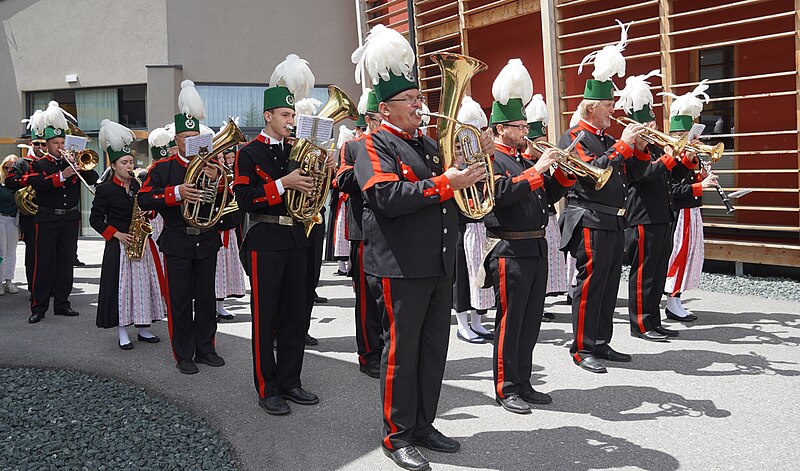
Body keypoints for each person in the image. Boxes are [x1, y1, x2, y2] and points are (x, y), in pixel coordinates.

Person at [352, 25, 490, 470]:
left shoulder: (430, 145)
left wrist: (478, 156)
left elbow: (458, 187)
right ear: (386, 107)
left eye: (419, 97)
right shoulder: (372, 144)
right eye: (409, 99)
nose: (419, 104)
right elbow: (387, 199)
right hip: (399, 267)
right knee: (400, 351)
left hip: (437, 263)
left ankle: (424, 424)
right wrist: (444, 184)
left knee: (434, 350)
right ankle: (396, 435)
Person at [483, 60, 575, 414]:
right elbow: (501, 195)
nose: (526, 132)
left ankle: (523, 381)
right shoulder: (492, 158)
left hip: (534, 244)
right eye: (519, 127)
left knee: (531, 319)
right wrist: (538, 170)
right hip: (508, 248)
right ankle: (505, 387)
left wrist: (563, 175)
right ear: (500, 128)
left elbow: (544, 196)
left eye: (525, 126)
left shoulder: (523, 158)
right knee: (511, 321)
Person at [233, 54, 322, 416]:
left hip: (296, 238)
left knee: (295, 315)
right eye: (285, 115)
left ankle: (291, 380)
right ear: (268, 116)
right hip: (265, 240)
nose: (291, 120)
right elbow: (243, 199)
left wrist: (322, 173)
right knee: (266, 315)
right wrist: (282, 184)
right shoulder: (248, 153)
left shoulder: (299, 151)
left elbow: (312, 193)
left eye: (293, 115)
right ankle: (267, 387)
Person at [558, 21, 648, 373]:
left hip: (612, 218)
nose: (613, 109)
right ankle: (582, 347)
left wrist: (638, 149)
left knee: (610, 284)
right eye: (608, 105)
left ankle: (601, 342)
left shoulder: (609, 140)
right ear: (591, 107)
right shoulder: (574, 136)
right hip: (589, 218)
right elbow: (589, 172)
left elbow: (635, 176)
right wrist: (623, 148)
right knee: (591, 283)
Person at [138, 80, 225, 375]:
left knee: (206, 298)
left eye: (195, 136)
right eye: (185, 138)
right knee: (178, 301)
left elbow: (227, 200)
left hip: (206, 239)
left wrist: (214, 181)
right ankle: (183, 354)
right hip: (177, 241)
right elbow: (144, 197)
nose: (191, 142)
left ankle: (206, 348)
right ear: (176, 141)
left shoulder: (211, 166)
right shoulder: (162, 169)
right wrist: (176, 194)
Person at [616, 70, 680, 341]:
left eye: (653, 121)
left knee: (658, 270)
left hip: (661, 215)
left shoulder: (654, 147)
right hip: (642, 217)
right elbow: (641, 176)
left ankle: (654, 320)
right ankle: (640, 324)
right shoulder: (633, 148)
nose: (654, 126)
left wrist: (679, 159)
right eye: (649, 123)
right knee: (644, 274)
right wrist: (667, 159)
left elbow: (669, 178)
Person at [91, 120, 165, 349]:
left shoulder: (137, 184)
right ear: (113, 165)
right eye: (124, 162)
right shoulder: (105, 189)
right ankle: (122, 330)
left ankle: (143, 327)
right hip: (119, 245)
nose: (129, 166)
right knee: (121, 290)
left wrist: (150, 211)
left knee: (143, 287)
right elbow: (95, 220)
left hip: (140, 243)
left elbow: (148, 208)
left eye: (131, 162)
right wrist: (117, 234)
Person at [27, 101, 99, 324]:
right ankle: (38, 307)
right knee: (44, 263)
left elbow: (94, 179)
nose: (59, 146)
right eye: (55, 143)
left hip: (69, 218)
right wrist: (64, 175)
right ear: (47, 145)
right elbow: (40, 185)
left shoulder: (74, 162)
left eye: (62, 142)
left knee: (66, 262)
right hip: (47, 218)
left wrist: (79, 165)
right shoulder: (39, 164)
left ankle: (62, 303)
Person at [661, 81, 718, 322]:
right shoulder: (671, 156)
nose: (692, 141)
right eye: (686, 137)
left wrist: (703, 175)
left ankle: (677, 299)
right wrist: (699, 185)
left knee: (691, 255)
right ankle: (672, 301)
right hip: (681, 212)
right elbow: (672, 189)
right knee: (679, 255)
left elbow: (690, 180)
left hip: (692, 211)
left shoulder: (690, 156)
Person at [336, 88, 383, 377]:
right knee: (367, 299)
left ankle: (388, 350)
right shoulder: (353, 147)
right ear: (370, 119)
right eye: (380, 118)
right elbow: (343, 180)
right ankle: (368, 354)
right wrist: (371, 158)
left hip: (393, 229)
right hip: (364, 232)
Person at [452, 96, 495, 343]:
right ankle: (462, 324)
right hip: (462, 220)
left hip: (482, 221)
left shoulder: (484, 155)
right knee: (462, 275)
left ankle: (477, 321)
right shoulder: (454, 157)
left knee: (480, 275)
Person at [525, 94, 569, 318]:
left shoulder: (540, 162)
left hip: (546, 217)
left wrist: (565, 174)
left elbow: (550, 194)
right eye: (539, 142)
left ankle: (540, 301)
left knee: (548, 261)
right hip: (527, 224)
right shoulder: (525, 163)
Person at [6, 112, 47, 296]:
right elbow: (10, 181)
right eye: (36, 143)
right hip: (30, 216)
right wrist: (30, 181)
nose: (40, 147)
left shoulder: (52, 162)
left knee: (51, 254)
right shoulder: (23, 162)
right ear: (31, 144)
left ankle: (51, 287)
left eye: (43, 144)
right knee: (33, 254)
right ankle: (34, 288)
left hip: (50, 212)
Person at [214, 144, 246, 321]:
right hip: (215, 231)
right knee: (215, 270)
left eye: (221, 158)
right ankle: (212, 306)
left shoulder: (228, 177)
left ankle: (220, 305)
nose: (221, 162)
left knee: (225, 270)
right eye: (218, 159)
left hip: (229, 227)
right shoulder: (208, 179)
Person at [0, 155, 20, 295]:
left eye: (11, 168)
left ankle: (9, 281)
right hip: (0, 218)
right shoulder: (0, 183)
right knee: (2, 251)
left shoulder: (18, 183)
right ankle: (0, 282)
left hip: (13, 220)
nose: (8, 170)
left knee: (11, 251)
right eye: (5, 167)